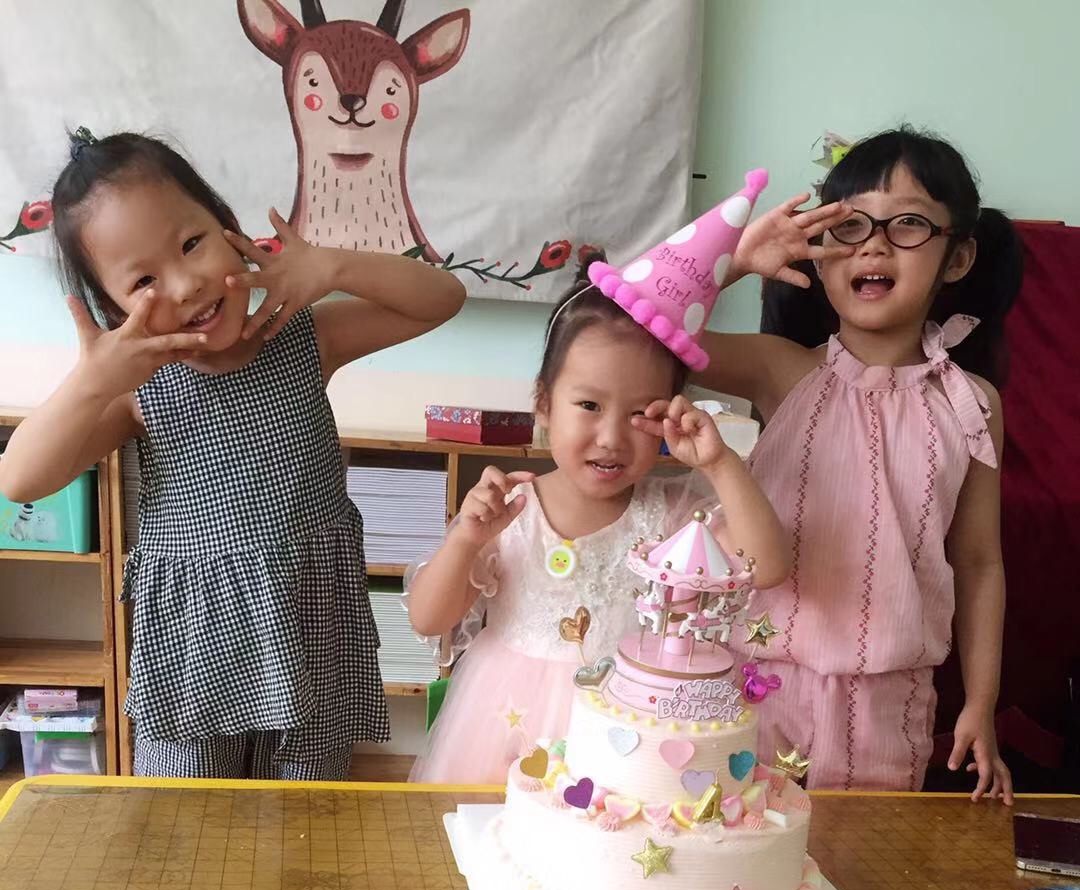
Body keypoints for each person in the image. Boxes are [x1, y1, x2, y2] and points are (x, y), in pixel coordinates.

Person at [0, 130, 465, 779]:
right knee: (186, 818)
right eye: (144, 280)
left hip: (307, 626)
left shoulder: (299, 335)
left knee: (307, 812)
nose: (186, 283)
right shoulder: (139, 388)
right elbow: (19, 478)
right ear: (113, 308)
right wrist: (91, 381)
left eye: (192, 243)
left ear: (230, 229)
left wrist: (331, 267)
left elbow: (442, 298)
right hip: (195, 644)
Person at [705, 127, 1023, 800]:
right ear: (818, 254)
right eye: (849, 226)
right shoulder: (780, 370)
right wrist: (736, 259)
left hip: (890, 707)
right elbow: (633, 332)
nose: (873, 244)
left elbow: (978, 562)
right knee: (743, 850)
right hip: (757, 687)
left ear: (959, 256)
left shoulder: (973, 404)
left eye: (907, 223)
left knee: (865, 860)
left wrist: (981, 704)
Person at [407, 266, 789, 783]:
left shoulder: (675, 515)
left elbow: (766, 567)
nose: (610, 437)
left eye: (638, 413)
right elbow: (429, 619)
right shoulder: (508, 511)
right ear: (543, 403)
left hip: (627, 737)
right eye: (589, 405)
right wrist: (465, 541)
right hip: (503, 728)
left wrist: (720, 463)